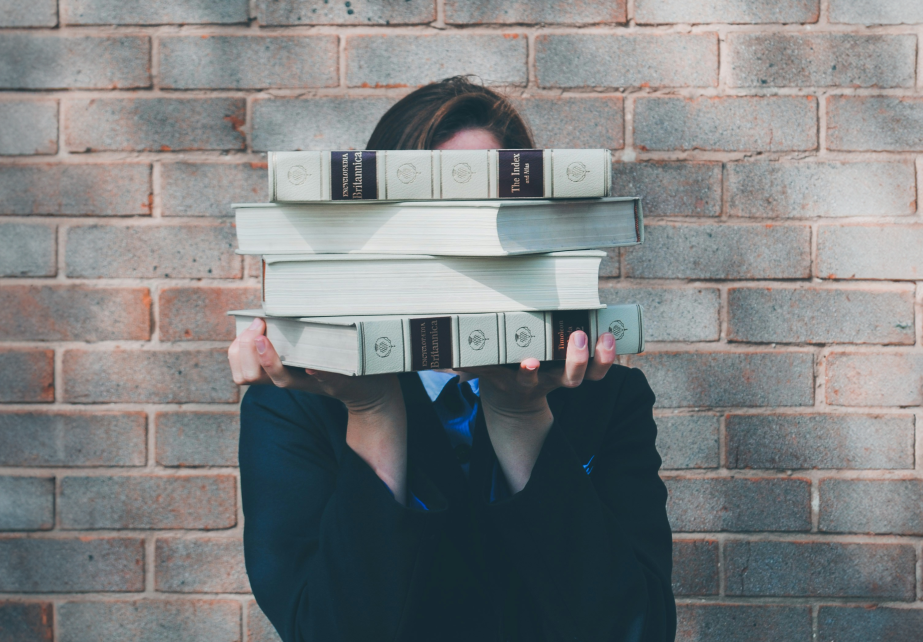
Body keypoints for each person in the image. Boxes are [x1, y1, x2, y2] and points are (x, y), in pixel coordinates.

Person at [229, 76, 676, 642]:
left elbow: (637, 630)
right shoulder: (299, 404)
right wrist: (371, 412)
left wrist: (522, 421)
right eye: (431, 218)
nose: (465, 250)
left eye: (485, 213)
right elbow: (326, 630)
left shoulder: (606, 396)